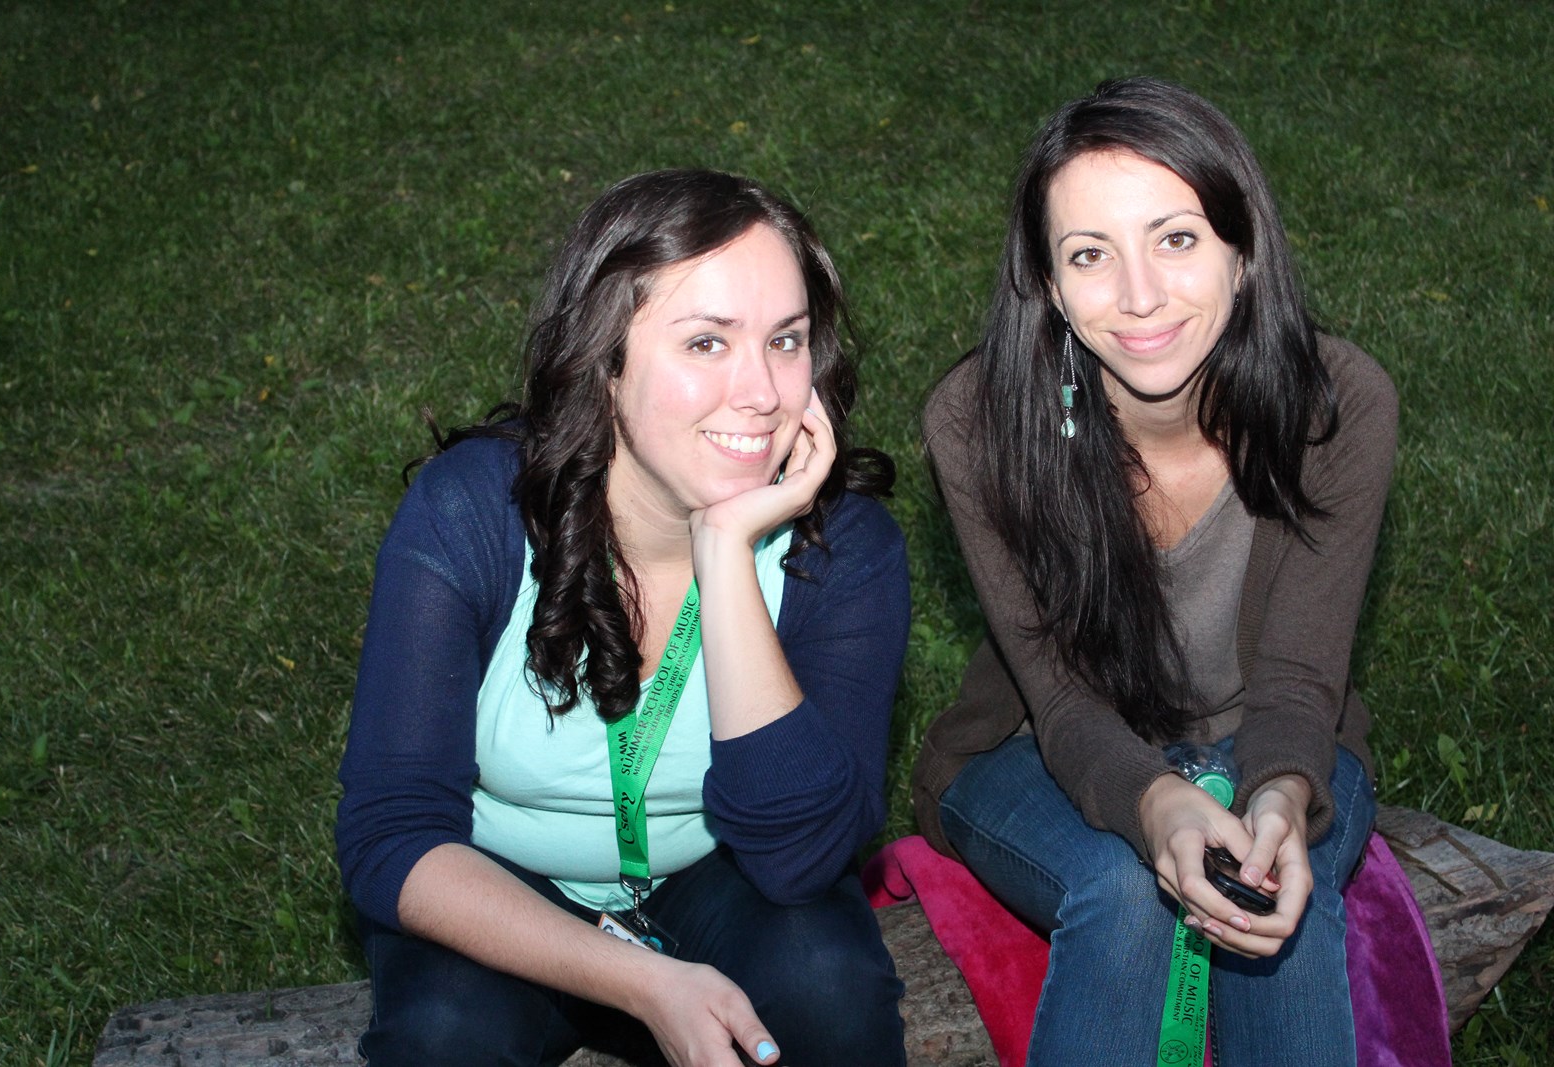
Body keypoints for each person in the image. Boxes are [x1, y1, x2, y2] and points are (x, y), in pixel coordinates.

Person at [337, 169, 910, 1067]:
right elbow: (391, 835)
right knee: (442, 1034)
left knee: (830, 987)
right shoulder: (471, 514)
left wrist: (725, 551)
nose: (762, 391)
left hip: (716, 873)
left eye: (786, 340)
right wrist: (644, 980)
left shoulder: (842, 550)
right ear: (605, 362)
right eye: (707, 342)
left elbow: (802, 856)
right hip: (508, 886)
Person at [912, 78, 1398, 1066]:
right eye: (1090, 254)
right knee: (1125, 887)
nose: (1138, 296)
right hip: (1039, 745)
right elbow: (1058, 695)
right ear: (1048, 282)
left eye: (1175, 238)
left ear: (1242, 250)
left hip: (1279, 735)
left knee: (1271, 896)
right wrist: (1155, 801)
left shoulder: (1336, 407)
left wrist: (1277, 798)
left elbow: (1300, 681)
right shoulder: (980, 424)